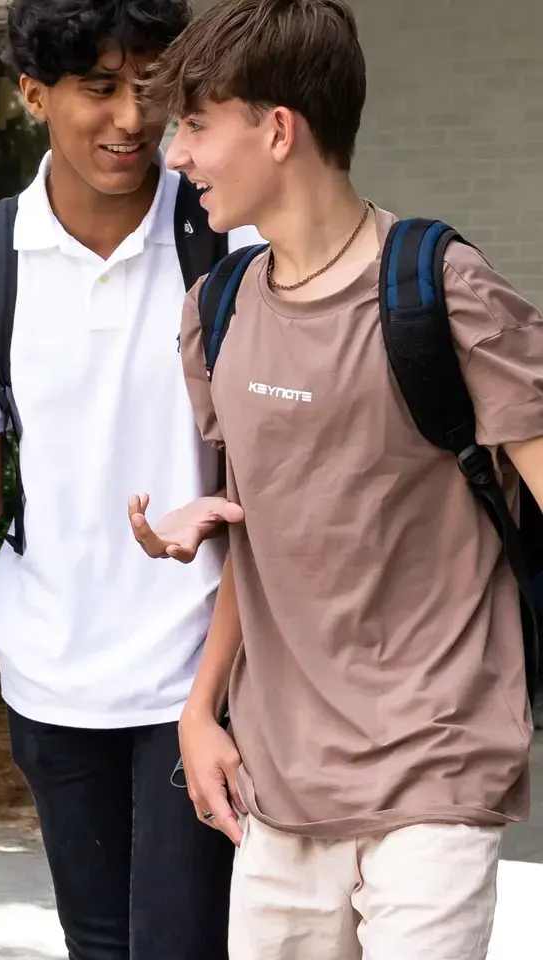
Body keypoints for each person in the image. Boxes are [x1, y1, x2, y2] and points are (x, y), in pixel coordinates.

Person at [0, 1, 262, 956]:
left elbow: (261, 474)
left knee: (184, 941)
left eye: (152, 83)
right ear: (33, 95)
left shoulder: (228, 242)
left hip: (203, 666)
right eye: (99, 88)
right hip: (52, 674)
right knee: (100, 944)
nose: (131, 118)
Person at [130, 0, 541, 956]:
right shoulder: (217, 313)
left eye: (194, 124)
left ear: (278, 130)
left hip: (437, 769)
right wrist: (201, 708)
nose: (175, 155)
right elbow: (259, 537)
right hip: (279, 789)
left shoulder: (443, 291)